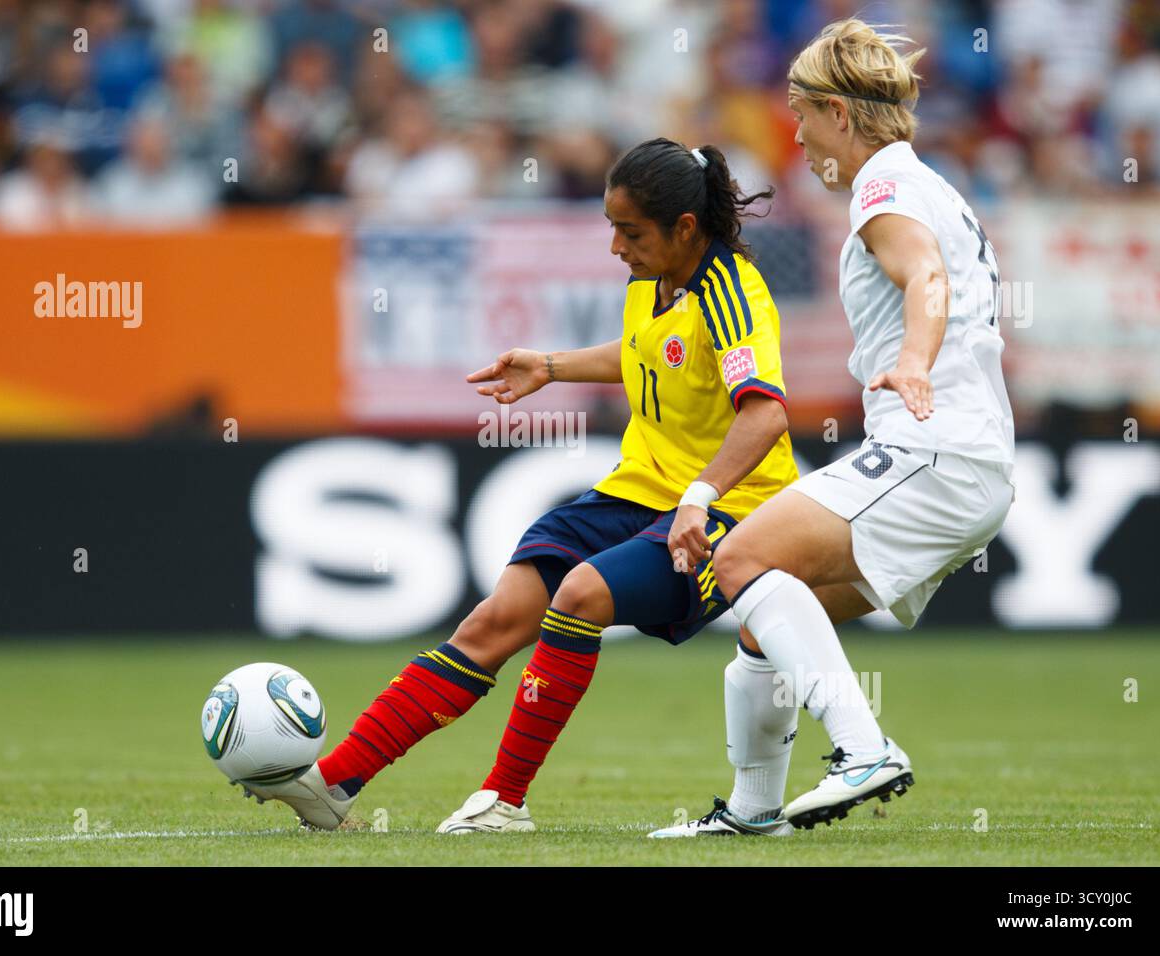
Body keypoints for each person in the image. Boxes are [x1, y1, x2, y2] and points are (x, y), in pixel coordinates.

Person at [248, 137, 810, 833]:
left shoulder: (732, 294)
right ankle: (332, 785)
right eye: (611, 227)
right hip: (636, 492)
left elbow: (765, 413)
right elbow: (646, 354)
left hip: (732, 516)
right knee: (494, 620)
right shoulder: (652, 279)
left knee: (580, 597)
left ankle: (504, 802)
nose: (614, 247)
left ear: (684, 229)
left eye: (628, 231)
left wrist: (700, 496)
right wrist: (552, 364)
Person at [650, 19, 1016, 837]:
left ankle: (864, 749)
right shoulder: (932, 183)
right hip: (968, 459)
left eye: (803, 113)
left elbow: (922, 273)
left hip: (933, 446)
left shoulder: (885, 188)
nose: (798, 132)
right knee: (767, 616)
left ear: (839, 114)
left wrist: (916, 359)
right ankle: (752, 813)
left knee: (740, 555)